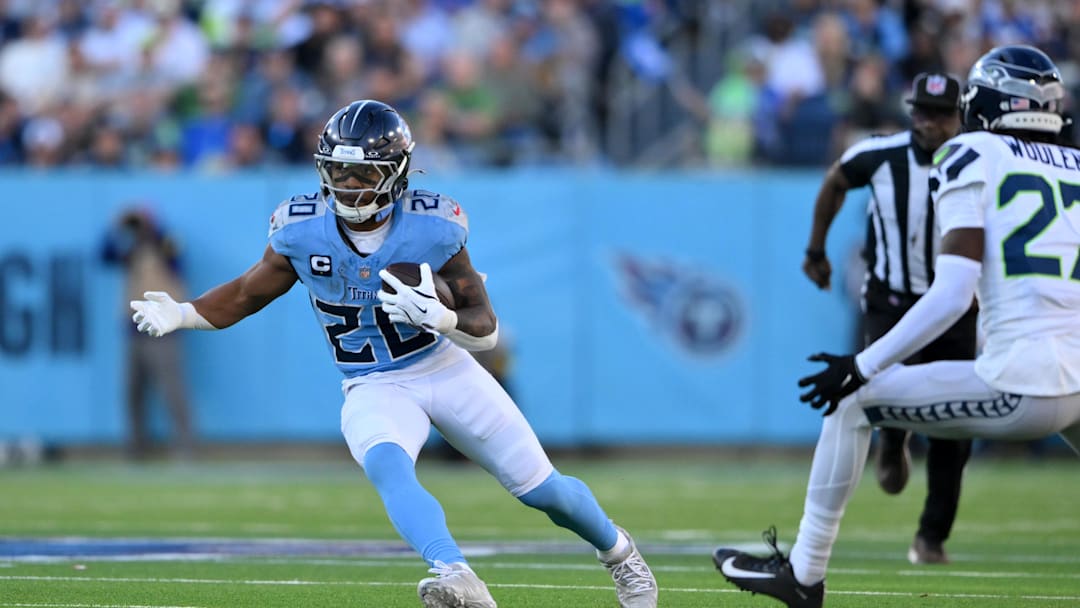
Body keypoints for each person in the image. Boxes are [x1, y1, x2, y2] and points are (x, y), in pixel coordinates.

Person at [129, 99, 658, 608]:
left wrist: (443, 319)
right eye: (338, 171)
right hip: (373, 382)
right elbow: (248, 293)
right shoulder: (301, 229)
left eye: (363, 173)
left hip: (444, 368)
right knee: (388, 464)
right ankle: (455, 572)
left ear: (397, 173)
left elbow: (486, 329)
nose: (348, 184)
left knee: (544, 492)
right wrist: (186, 313)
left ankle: (620, 553)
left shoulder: (433, 227)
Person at [714, 45, 1080, 608]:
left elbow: (953, 294)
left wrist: (862, 366)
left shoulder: (971, 153)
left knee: (850, 402)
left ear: (983, 104)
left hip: (1025, 381)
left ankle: (804, 575)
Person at [800, 71, 974, 565]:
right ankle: (893, 437)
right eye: (923, 112)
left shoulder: (978, 158)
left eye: (941, 114)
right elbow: (835, 181)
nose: (930, 123)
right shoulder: (881, 154)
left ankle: (931, 536)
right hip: (892, 301)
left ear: (959, 115)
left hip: (956, 304)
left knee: (956, 424)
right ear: (910, 111)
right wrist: (815, 250)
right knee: (879, 392)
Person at [102, 207, 195, 461]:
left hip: (164, 330)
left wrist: (150, 228)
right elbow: (104, 255)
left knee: (171, 389)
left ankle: (185, 446)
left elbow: (177, 259)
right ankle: (137, 447)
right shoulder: (131, 250)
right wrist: (116, 226)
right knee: (133, 391)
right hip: (134, 330)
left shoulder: (165, 243)